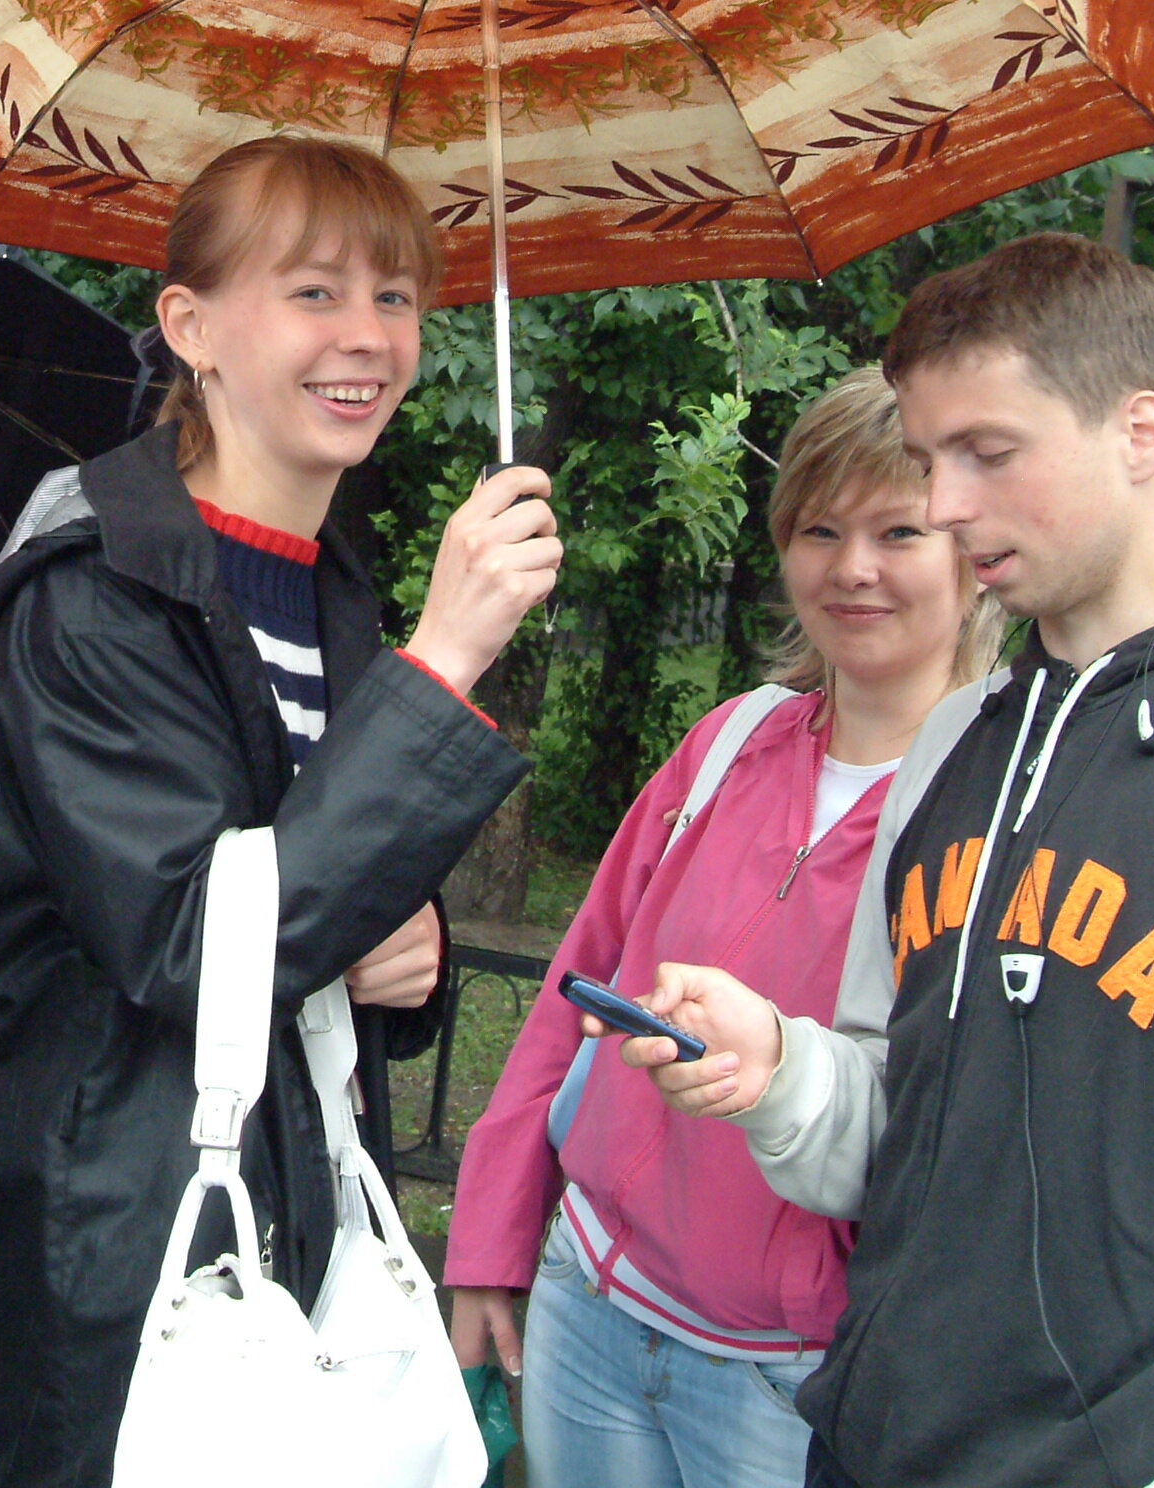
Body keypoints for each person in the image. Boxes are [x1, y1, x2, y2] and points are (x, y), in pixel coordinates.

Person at [615, 233, 1154, 1488]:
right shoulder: (959, 738)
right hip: (870, 1449)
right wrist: (782, 1071)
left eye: (989, 452)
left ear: (1141, 432)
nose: (950, 503)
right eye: (930, 459)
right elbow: (890, 1118)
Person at [0, 135, 559, 1488]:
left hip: (288, 1216)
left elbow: (309, 867)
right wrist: (441, 667)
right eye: (314, 293)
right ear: (190, 326)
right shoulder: (87, 596)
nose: (366, 337)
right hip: (110, 1244)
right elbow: (193, 940)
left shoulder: (325, 591)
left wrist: (410, 950)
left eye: (396, 297)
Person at [444, 367, 997, 1488]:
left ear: (970, 549)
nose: (853, 568)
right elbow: (579, 982)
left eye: (898, 530)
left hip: (792, 1376)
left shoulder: (1003, 803)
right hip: (587, 1309)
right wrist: (495, 1235)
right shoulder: (729, 742)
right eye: (819, 529)